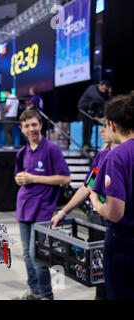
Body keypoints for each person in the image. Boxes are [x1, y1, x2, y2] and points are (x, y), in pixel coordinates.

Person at [51, 120, 118, 300]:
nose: (102, 130)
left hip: (120, 227)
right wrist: (63, 212)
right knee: (101, 274)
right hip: (99, 222)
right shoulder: (102, 156)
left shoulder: (124, 155)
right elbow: (88, 187)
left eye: (106, 125)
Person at [13, 109, 71, 300]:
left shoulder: (51, 149)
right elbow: (18, 176)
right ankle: (35, 291)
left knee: (37, 256)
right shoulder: (22, 153)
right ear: (22, 129)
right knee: (27, 256)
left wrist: (33, 178)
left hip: (43, 210)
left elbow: (65, 178)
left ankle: (46, 295)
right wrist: (20, 179)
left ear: (41, 125)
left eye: (34, 124)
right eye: (27, 126)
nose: (31, 129)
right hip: (24, 208)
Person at [88, 92, 134, 300]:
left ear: (112, 125)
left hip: (124, 241)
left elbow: (115, 213)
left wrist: (96, 202)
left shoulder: (116, 156)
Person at [78, 80, 112, 151]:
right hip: (83, 110)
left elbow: (110, 100)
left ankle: (90, 144)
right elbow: (98, 98)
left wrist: (109, 94)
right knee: (87, 126)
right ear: (99, 85)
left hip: (93, 111)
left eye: (105, 90)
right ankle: (86, 144)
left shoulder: (104, 92)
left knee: (93, 126)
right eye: (102, 89)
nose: (103, 91)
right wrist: (106, 102)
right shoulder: (92, 88)